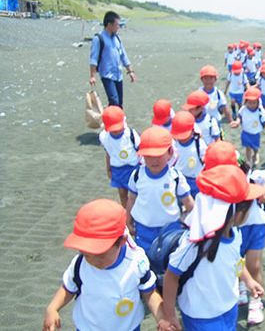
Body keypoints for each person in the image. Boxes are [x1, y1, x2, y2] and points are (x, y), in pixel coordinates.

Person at [162, 165, 265, 331]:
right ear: (235, 213)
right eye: (249, 206)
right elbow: (171, 275)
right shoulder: (195, 243)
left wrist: (248, 280)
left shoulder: (235, 234)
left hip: (228, 306)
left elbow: (234, 260)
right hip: (201, 316)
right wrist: (169, 315)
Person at [42, 199, 171, 331]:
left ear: (122, 241)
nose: (93, 261)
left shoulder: (135, 262)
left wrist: (161, 318)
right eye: (87, 254)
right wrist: (53, 308)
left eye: (101, 255)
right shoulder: (79, 264)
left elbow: (150, 293)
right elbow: (68, 288)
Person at [201, 141, 265, 325]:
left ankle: (256, 301)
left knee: (254, 266)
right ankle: (240, 288)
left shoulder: (251, 177)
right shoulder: (214, 186)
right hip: (232, 228)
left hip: (254, 227)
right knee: (234, 264)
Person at [126, 126, 194, 253]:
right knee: (145, 260)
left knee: (169, 260)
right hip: (144, 229)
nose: (154, 160)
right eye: (149, 156)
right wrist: (128, 222)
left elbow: (189, 203)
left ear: (170, 153)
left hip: (171, 228)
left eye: (159, 155)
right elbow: (131, 200)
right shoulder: (137, 176)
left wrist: (196, 223)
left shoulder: (176, 177)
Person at [89, 11, 135, 108]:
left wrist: (130, 71)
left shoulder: (117, 38)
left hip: (118, 75)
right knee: (114, 101)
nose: (118, 27)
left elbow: (123, 56)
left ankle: (117, 120)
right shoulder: (99, 38)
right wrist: (92, 76)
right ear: (109, 25)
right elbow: (93, 58)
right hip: (107, 75)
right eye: (117, 25)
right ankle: (113, 121)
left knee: (119, 103)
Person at [98, 106, 140, 208]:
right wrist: (108, 169)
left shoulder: (131, 134)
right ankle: (126, 214)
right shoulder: (104, 137)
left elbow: (140, 150)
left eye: (118, 129)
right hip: (117, 169)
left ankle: (138, 212)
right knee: (122, 194)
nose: (116, 132)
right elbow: (108, 153)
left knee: (136, 193)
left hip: (133, 168)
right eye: (113, 130)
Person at [230, 87, 265, 167]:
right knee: (247, 148)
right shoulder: (243, 109)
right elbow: (239, 116)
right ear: (246, 102)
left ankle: (255, 154)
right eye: (249, 103)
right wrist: (237, 122)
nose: (251, 105)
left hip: (255, 133)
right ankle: (249, 160)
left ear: (258, 102)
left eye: (254, 103)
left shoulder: (260, 111)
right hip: (246, 132)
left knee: (255, 147)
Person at [171, 111, 207, 198]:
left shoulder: (199, 143)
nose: (182, 139)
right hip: (179, 179)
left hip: (197, 179)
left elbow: (206, 157)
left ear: (192, 131)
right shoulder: (173, 144)